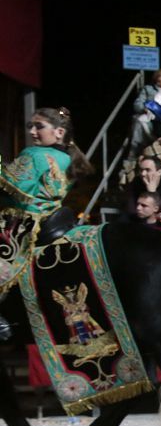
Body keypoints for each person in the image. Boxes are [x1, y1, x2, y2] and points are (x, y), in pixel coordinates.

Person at [0, 107, 90, 296]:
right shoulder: (68, 158)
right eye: (30, 126)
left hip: (23, 224)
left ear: (59, 132)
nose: (32, 131)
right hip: (50, 218)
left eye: (39, 127)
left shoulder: (34, 154)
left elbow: (12, 187)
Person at [130, 69, 161, 155]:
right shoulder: (148, 89)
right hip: (149, 115)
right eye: (158, 81)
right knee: (138, 121)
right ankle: (135, 151)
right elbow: (138, 103)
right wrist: (144, 109)